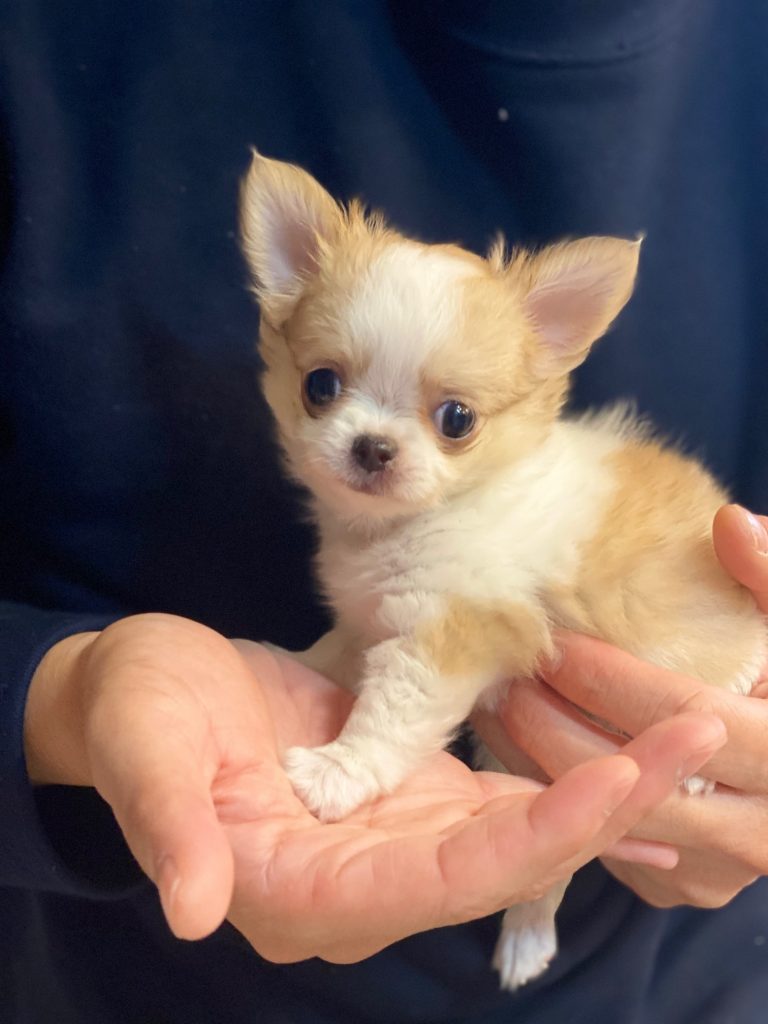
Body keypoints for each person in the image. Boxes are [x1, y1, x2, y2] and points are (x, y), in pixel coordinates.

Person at [2, 3, 767, 1022]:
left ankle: (529, 905)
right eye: (327, 386)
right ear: (278, 327)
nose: (374, 441)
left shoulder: (500, 524)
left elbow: (442, 642)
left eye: (452, 418)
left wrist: (357, 761)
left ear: (543, 384)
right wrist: (68, 693)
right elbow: (390, 627)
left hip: (681, 958)